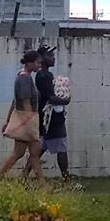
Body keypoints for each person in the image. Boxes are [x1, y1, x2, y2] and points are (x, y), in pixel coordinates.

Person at [23, 46, 72, 180]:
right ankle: (66, 179)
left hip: (47, 119)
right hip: (52, 119)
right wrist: (65, 100)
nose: (53, 58)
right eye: (50, 55)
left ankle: (24, 177)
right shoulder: (44, 75)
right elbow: (51, 97)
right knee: (61, 148)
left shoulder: (44, 75)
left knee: (39, 150)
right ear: (42, 58)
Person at [0, 51, 45, 184]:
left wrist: (8, 121)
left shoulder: (23, 76)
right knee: (29, 153)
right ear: (30, 63)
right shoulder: (25, 78)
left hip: (25, 121)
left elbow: (14, 102)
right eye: (37, 62)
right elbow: (25, 102)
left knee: (28, 154)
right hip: (27, 122)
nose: (39, 65)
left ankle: (42, 185)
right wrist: (30, 124)